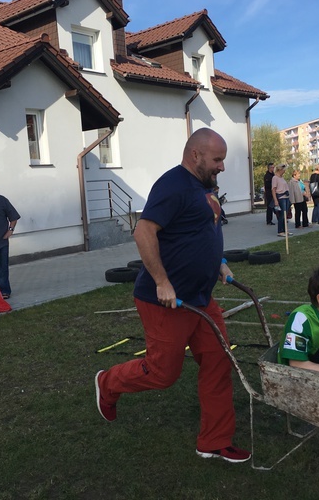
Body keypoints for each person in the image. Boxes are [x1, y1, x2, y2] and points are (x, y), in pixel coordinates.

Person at [94, 128, 251, 464]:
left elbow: (202, 232)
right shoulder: (174, 184)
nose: (222, 166)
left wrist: (220, 263)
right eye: (217, 159)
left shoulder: (203, 189)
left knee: (218, 362)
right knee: (162, 373)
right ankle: (108, 383)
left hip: (200, 299)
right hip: (165, 301)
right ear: (195, 155)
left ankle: (214, 440)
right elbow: (144, 231)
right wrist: (162, 282)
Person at [271, 163, 292, 237]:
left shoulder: (282, 178)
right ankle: (280, 231)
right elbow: (273, 190)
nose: (284, 171)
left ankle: (285, 230)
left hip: (286, 197)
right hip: (281, 197)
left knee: (285, 215)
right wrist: (275, 200)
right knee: (282, 215)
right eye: (283, 170)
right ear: (280, 170)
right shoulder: (275, 178)